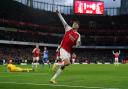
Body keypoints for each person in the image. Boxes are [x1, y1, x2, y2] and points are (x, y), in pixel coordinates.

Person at [50, 10, 81, 84]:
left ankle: (53, 79)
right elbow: (62, 20)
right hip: (63, 48)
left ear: (78, 26)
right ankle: (56, 64)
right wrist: (59, 13)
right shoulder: (68, 28)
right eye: (73, 23)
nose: (74, 24)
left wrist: (78, 44)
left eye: (75, 24)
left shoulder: (78, 35)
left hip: (68, 51)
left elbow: (78, 44)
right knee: (66, 62)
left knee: (66, 64)